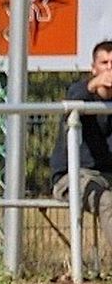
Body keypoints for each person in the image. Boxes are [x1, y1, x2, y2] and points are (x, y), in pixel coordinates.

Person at [50, 40, 112, 250]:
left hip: (107, 177)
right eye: (104, 63)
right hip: (73, 177)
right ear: (93, 68)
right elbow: (72, 99)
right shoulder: (80, 93)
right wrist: (94, 84)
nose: (109, 69)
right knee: (107, 202)